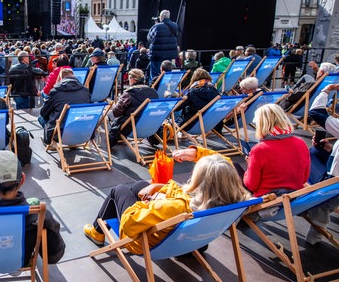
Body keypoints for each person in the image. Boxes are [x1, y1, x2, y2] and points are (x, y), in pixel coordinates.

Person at [83, 150, 250, 252]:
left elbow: (129, 223)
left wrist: (148, 204)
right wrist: (159, 188)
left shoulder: (177, 207)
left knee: (119, 190)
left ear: (200, 181)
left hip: (147, 242)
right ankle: (144, 192)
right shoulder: (235, 203)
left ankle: (98, 233)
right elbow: (223, 163)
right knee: (141, 186)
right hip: (192, 240)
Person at [244, 104, 309, 198]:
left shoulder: (259, 150)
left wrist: (249, 167)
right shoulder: (300, 143)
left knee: (236, 170)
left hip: (269, 200)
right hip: (295, 195)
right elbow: (304, 178)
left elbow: (251, 185)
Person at [306, 83, 339, 244]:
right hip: (335, 178)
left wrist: (327, 90)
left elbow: (315, 111)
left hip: (334, 184)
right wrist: (329, 149)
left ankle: (316, 232)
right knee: (315, 152)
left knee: (321, 204)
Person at [108, 69, 158, 147]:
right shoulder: (153, 92)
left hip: (132, 128)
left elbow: (116, 113)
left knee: (111, 117)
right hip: (151, 126)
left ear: (132, 80)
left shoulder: (130, 93)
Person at [40, 68, 90, 144]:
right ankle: (71, 143)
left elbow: (43, 112)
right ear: (74, 76)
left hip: (61, 131)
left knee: (41, 118)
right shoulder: (85, 91)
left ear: (61, 78)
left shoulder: (56, 91)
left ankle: (50, 139)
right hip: (82, 130)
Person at [147, 10, 179, 81]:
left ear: (161, 17)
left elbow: (149, 37)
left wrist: (155, 25)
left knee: (155, 76)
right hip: (169, 56)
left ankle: (155, 90)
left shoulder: (157, 26)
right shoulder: (174, 26)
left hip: (157, 55)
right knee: (167, 75)